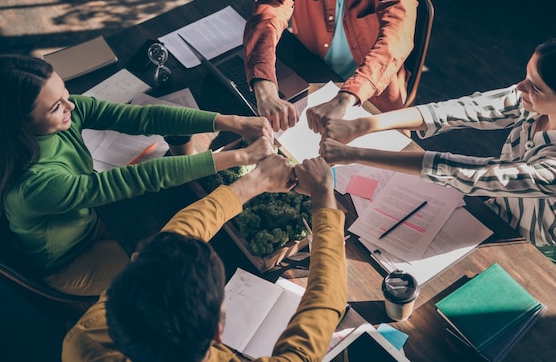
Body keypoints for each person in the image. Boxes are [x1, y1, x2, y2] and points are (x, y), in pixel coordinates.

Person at [319, 32, 556, 275]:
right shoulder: (532, 102)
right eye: (526, 76)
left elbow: (474, 174)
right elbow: (462, 110)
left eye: (535, 87)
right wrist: (364, 123)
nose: (520, 88)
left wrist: (354, 154)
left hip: (534, 253)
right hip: (491, 217)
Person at [0, 54, 275, 296]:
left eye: (64, 93)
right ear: (18, 124)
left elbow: (145, 117)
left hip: (86, 220)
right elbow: (138, 178)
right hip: (69, 261)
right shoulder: (34, 185)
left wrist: (232, 122)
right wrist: (240, 156)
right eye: (56, 107)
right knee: (172, 277)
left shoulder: (65, 114)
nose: (71, 106)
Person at [61, 155, 347, 362]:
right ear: (218, 334)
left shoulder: (85, 340)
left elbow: (178, 235)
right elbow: (323, 306)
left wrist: (254, 182)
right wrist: (323, 196)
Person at [243, 0, 418, 132]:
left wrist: (347, 97)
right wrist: (264, 87)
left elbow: (395, 41)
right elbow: (266, 18)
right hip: (310, 77)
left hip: (372, 100)